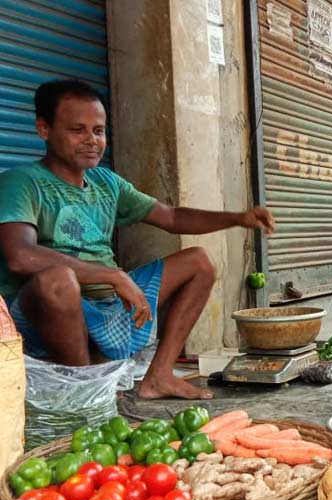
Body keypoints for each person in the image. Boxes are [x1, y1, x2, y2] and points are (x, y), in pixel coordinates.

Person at [0, 79, 275, 400]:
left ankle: (158, 377)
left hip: (109, 307)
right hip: (45, 315)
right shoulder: (23, 182)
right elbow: (21, 255)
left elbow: (171, 217)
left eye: (99, 131)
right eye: (78, 130)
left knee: (198, 261)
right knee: (58, 280)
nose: (92, 140)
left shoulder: (106, 183)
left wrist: (237, 218)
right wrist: (112, 275)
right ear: (44, 129)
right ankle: (87, 393)